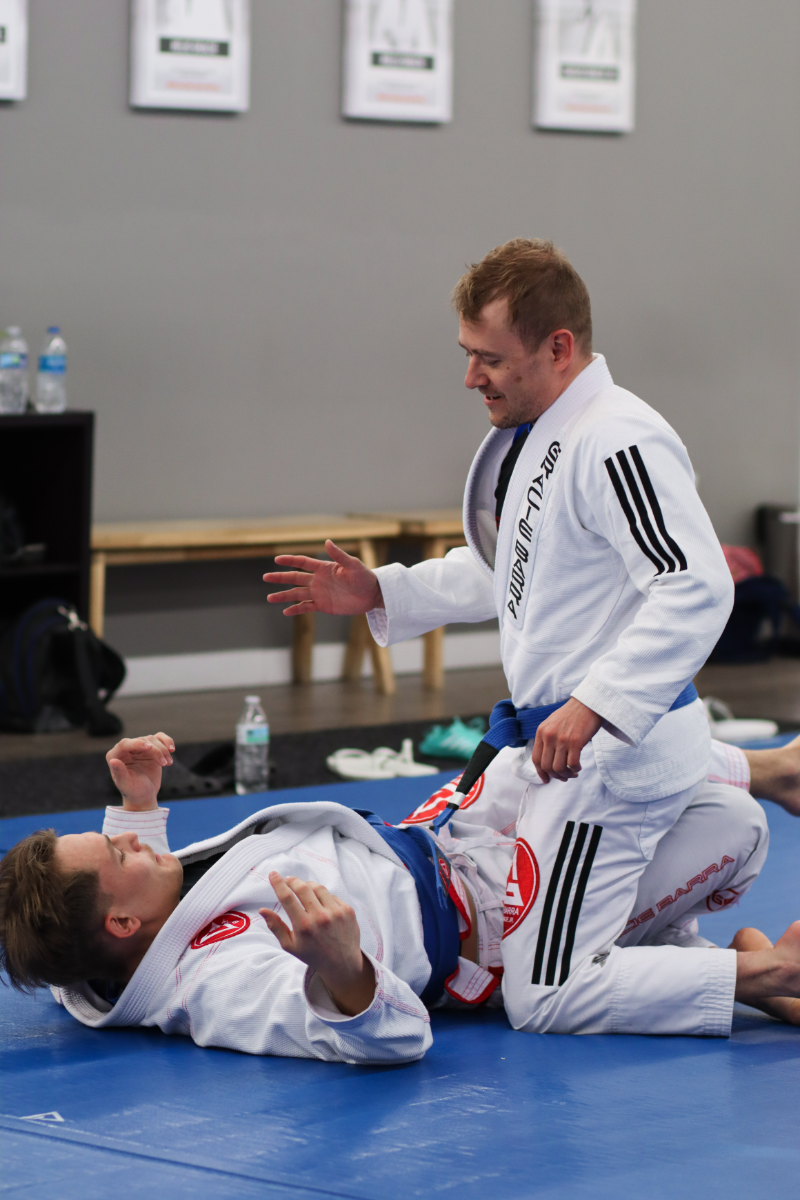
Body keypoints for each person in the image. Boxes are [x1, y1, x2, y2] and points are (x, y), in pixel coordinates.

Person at [261, 238, 777, 1034]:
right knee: (524, 912)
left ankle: (771, 968)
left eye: (489, 358)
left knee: (544, 997)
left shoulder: (616, 438)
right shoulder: (546, 432)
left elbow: (695, 585)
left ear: (559, 348)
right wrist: (384, 589)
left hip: (607, 758)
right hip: (559, 747)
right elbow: (513, 567)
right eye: (468, 355)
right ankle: (726, 907)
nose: (472, 377)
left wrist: (597, 703)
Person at [1, 732, 800, 1067]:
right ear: (120, 920)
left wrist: (136, 806)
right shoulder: (215, 984)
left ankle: (701, 941)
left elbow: (133, 904)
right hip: (494, 924)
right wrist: (342, 969)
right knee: (728, 825)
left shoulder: (132, 930)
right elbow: (380, 1038)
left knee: (554, 743)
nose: (136, 840)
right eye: (117, 848)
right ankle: (756, 970)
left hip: (448, 837)